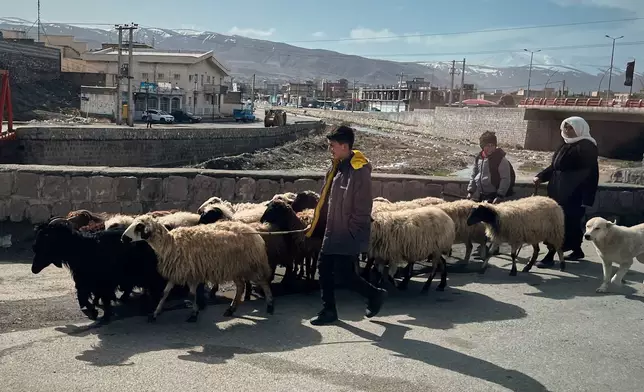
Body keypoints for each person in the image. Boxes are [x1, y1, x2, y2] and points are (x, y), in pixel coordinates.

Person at [305, 125, 387, 326]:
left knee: (345, 276)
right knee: (323, 269)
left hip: (347, 233)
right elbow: (328, 200)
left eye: (332, 145)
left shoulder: (358, 171)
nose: (330, 149)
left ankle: (374, 294)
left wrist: (352, 232)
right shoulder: (337, 166)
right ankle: (329, 310)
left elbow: (363, 206)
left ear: (344, 146)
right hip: (332, 231)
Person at [533, 116, 599, 266]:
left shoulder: (587, 147)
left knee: (562, 225)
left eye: (571, 128)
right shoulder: (564, 144)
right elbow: (555, 167)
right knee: (570, 224)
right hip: (558, 191)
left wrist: (587, 199)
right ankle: (577, 250)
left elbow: (591, 174)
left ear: (580, 129)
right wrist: (540, 177)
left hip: (574, 193)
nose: (567, 131)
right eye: (566, 127)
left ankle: (550, 255)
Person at [467, 131, 516, 203]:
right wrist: (470, 191)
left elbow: (505, 179)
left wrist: (500, 196)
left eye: (492, 145)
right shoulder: (479, 158)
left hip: (495, 196)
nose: (490, 148)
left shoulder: (501, 160)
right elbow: (474, 174)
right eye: (487, 145)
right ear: (482, 146)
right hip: (482, 195)